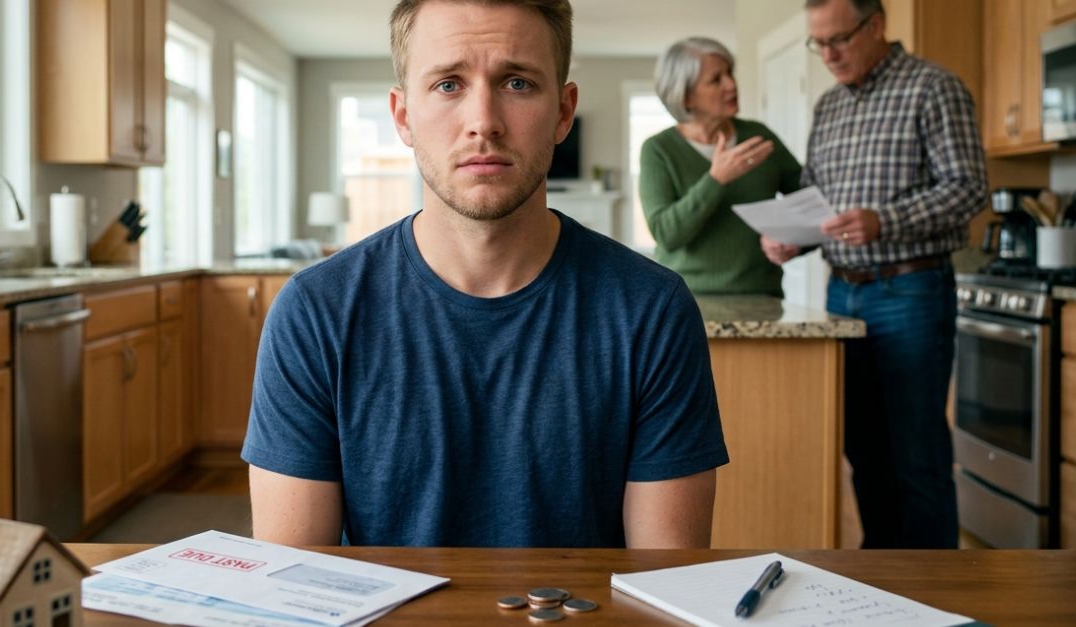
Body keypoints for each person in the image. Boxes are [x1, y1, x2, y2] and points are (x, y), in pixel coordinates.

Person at [242, 0, 728, 548]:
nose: (483, 123)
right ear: (402, 116)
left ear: (564, 112)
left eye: (517, 83)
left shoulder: (651, 311)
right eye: (448, 84)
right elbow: (296, 586)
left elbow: (660, 581)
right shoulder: (315, 313)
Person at [765, 0, 987, 548]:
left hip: (910, 290)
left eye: (839, 39)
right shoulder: (829, 107)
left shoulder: (934, 87)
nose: (829, 54)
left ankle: (936, 589)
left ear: (877, 25)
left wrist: (885, 221)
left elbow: (968, 187)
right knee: (862, 449)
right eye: (819, 44)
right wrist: (793, 238)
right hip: (843, 292)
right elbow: (819, 200)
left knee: (916, 453)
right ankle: (884, 577)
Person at [639, 37, 802, 296]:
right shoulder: (658, 150)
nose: (731, 84)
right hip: (685, 301)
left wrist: (793, 241)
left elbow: (809, 201)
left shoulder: (758, 136)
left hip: (762, 297)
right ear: (686, 96)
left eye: (730, 73)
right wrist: (716, 179)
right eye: (716, 79)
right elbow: (666, 234)